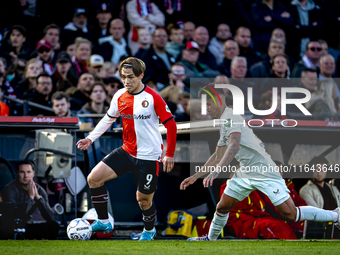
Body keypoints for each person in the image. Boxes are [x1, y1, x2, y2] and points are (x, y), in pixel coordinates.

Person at [180, 86, 340, 242]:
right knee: (222, 207)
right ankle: (210, 239)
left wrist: (216, 172)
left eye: (208, 103)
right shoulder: (224, 122)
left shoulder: (231, 118)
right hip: (246, 171)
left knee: (290, 214)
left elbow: (234, 146)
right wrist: (195, 176)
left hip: (264, 171)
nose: (206, 108)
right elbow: (217, 155)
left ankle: (335, 215)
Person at [76, 57, 177, 241]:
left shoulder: (153, 97)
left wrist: (169, 154)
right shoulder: (119, 95)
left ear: (141, 75)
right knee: (94, 179)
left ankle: (149, 231)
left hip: (149, 156)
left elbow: (171, 125)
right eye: (123, 77)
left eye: (130, 77)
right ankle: (104, 221)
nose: (126, 81)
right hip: (126, 151)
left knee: (143, 200)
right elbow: (108, 118)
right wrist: (90, 138)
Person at [1, 161, 60, 240]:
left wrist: (39, 198)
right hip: (11, 227)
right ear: (17, 173)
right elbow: (16, 216)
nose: (25, 176)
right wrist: (31, 197)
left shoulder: (39, 189)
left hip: (27, 227)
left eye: (28, 172)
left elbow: (50, 217)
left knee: (53, 225)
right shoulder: (9, 189)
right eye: (22, 172)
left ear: (33, 173)